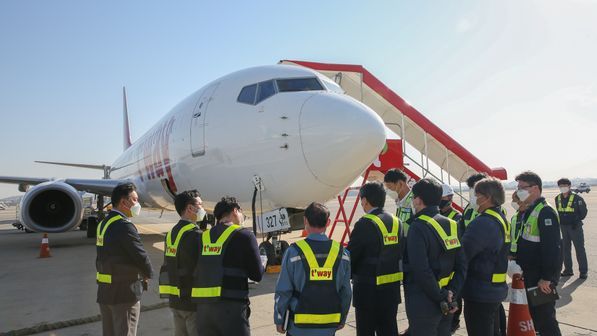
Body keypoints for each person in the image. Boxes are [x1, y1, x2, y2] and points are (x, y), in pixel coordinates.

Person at [274, 202, 352, 335]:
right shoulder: (342, 254)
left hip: (298, 327)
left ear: (305, 220)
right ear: (328, 222)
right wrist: (342, 318)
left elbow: (283, 291)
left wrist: (279, 319)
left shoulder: (293, 252)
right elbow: (346, 293)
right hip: (329, 326)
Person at [191, 196, 264, 336]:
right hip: (232, 308)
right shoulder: (245, 236)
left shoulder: (202, 237)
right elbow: (257, 275)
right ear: (235, 211)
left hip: (204, 310)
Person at [403, 178, 466, 336]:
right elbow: (462, 266)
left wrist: (440, 297)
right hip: (447, 298)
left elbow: (421, 270)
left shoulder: (418, 227)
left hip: (424, 300)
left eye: (413, 197)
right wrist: (451, 293)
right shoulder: (452, 224)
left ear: (418, 200)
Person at [348, 181, 405, 336]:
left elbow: (351, 256)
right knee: (389, 329)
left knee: (365, 331)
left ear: (364, 200)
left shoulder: (364, 223)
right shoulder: (397, 222)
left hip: (367, 291)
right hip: (391, 291)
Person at [96, 182, 153, 336]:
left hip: (105, 291)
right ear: (123, 202)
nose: (138, 204)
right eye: (134, 200)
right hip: (124, 293)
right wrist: (148, 273)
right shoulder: (124, 226)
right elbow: (140, 255)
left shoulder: (103, 224)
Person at [461, 177, 510, 336]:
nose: (473, 198)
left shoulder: (483, 223)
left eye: (476, 194)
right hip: (494, 289)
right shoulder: (500, 218)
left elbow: (463, 255)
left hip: (480, 291)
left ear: (487, 197)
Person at [515, 171, 562, 335]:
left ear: (535, 188)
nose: (518, 191)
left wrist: (547, 278)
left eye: (522, 187)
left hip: (542, 278)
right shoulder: (528, 211)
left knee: (546, 320)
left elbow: (552, 248)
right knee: (536, 319)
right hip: (531, 274)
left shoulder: (545, 212)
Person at [159, 190, 206, 336]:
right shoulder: (195, 235)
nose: (202, 208)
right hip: (191, 301)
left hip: (175, 299)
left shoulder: (172, 233)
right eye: (200, 204)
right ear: (190, 208)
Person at [556, 178, 588, 279]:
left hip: (575, 227)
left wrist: (575, 220)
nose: (563, 188)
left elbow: (583, 212)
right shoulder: (557, 198)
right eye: (561, 186)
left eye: (564, 185)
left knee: (579, 249)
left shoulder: (577, 198)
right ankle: (568, 270)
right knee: (565, 249)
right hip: (563, 227)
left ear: (569, 186)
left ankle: (583, 271)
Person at [384, 169, 414, 235]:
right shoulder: (399, 201)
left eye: (390, 187)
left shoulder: (414, 200)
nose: (389, 191)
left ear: (400, 183)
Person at [509, 192, 529, 260]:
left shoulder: (530, 216)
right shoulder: (515, 216)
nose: (512, 202)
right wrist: (511, 252)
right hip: (514, 254)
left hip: (525, 254)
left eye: (514, 200)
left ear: (521, 201)